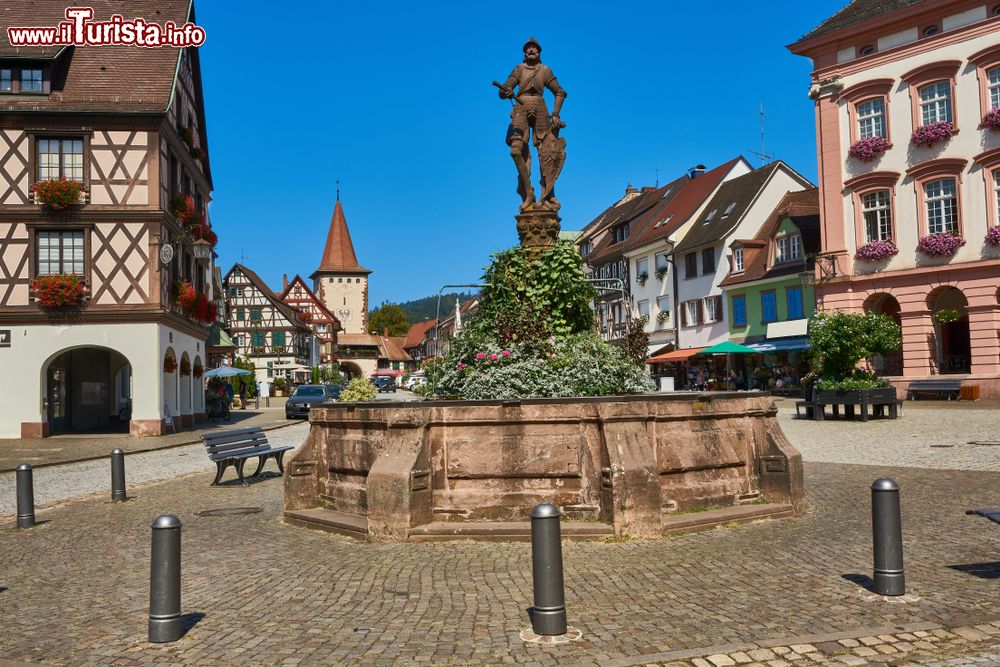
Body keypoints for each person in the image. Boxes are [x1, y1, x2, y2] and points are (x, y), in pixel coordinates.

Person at [496, 37, 567, 212]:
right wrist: (506, 92)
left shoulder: (545, 70)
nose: (531, 50)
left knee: (547, 152)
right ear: (524, 53)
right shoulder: (519, 69)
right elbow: (503, 90)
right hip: (521, 107)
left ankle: (549, 195)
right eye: (528, 48)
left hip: (541, 107)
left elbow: (560, 92)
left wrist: (556, 114)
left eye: (534, 48)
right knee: (516, 151)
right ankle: (528, 192)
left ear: (539, 52)